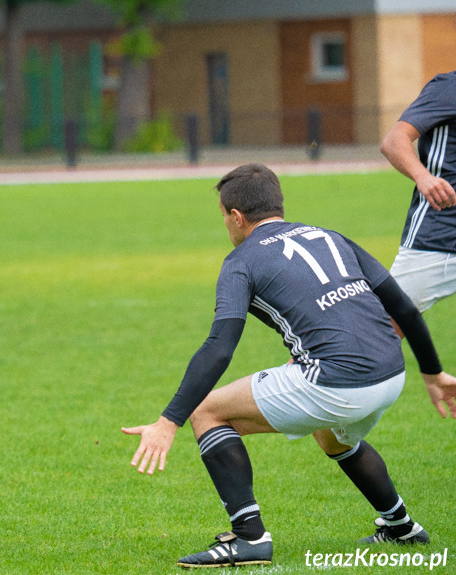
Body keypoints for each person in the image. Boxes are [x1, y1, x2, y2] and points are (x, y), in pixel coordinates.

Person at [122, 163, 456, 568]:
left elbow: (219, 348)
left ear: (235, 216)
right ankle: (402, 527)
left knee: (206, 411)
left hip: (337, 381)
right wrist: (433, 373)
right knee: (333, 437)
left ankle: (249, 538)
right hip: (391, 373)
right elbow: (402, 306)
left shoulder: (241, 260)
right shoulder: (330, 236)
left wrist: (169, 420)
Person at [381, 71, 456, 333]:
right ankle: (301, 372)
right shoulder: (449, 88)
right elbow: (394, 141)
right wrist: (423, 177)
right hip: (440, 236)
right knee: (372, 333)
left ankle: (433, 376)